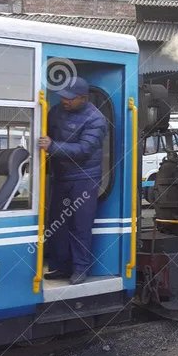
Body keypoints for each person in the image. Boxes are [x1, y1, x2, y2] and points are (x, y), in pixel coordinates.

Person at [39, 77, 107, 285]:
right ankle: (61, 266)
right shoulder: (56, 112)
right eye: (63, 97)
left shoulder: (96, 120)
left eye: (69, 98)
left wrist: (51, 147)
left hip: (84, 179)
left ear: (83, 98)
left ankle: (80, 269)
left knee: (80, 225)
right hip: (60, 176)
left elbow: (84, 150)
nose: (64, 101)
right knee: (56, 224)